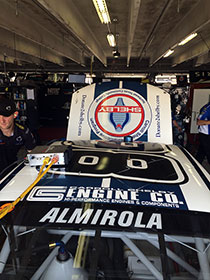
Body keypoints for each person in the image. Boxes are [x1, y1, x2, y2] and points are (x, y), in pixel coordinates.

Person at [0, 96, 36, 174]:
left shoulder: (23, 131)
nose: (2, 121)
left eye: (6, 116)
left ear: (15, 115)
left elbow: (33, 154)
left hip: (12, 168)